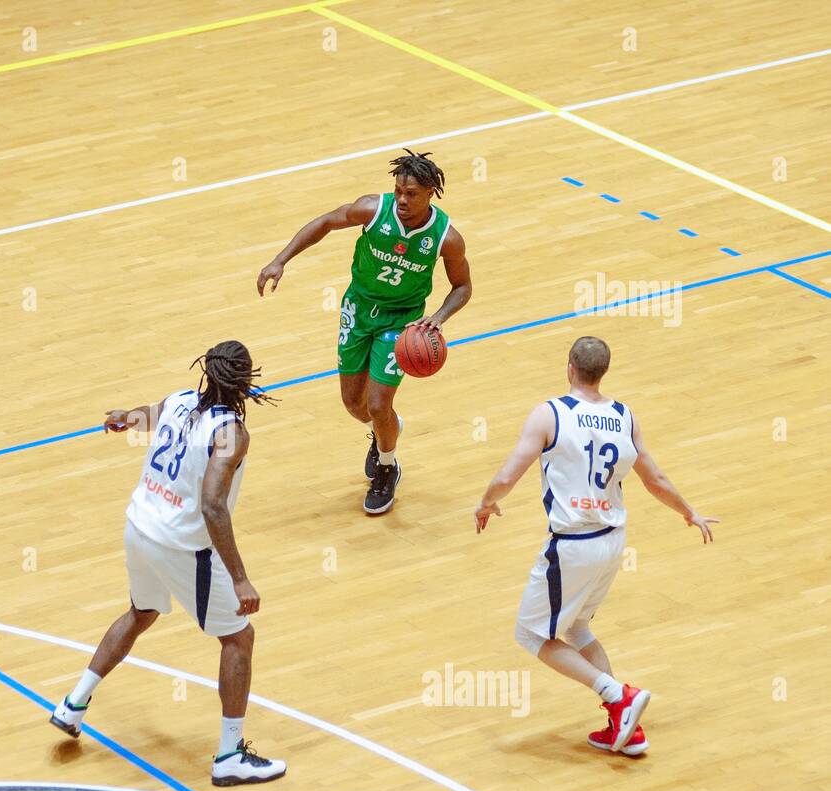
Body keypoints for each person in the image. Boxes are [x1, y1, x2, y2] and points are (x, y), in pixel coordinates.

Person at [49, 341, 286, 786]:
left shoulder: (180, 400)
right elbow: (213, 505)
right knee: (239, 638)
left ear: (207, 373)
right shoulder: (230, 432)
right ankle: (230, 756)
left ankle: (73, 704)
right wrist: (240, 578)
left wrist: (125, 416)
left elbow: (148, 413)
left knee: (142, 611)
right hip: (181, 546)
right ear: (245, 383)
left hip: (139, 525)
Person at [474, 336, 717, 754]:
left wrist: (486, 502)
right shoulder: (624, 415)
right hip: (612, 540)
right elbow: (654, 479)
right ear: (603, 372)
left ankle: (618, 694)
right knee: (576, 627)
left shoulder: (551, 413)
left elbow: (508, 474)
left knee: (531, 635)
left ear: (570, 366)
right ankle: (624, 725)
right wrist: (689, 512)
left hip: (572, 544)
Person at [258, 149, 472, 513]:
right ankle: (386, 430)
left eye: (412, 194)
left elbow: (463, 286)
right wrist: (280, 260)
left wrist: (439, 317)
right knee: (354, 404)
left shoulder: (446, 238)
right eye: (399, 191)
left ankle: (387, 468)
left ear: (431, 193)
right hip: (357, 311)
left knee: (377, 404)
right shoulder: (372, 210)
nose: (403, 200)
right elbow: (326, 222)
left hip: (401, 322)